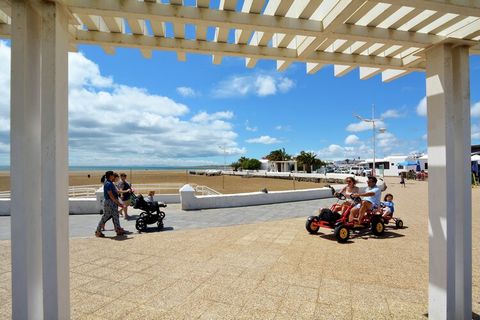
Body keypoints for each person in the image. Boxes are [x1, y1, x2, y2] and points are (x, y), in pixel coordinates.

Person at [95, 171, 126, 237]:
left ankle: (118, 229)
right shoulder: (108, 184)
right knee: (106, 217)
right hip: (110, 202)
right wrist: (118, 203)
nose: (114, 176)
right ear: (110, 176)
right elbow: (111, 195)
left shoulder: (110, 183)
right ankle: (98, 231)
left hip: (111, 202)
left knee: (115, 216)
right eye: (112, 175)